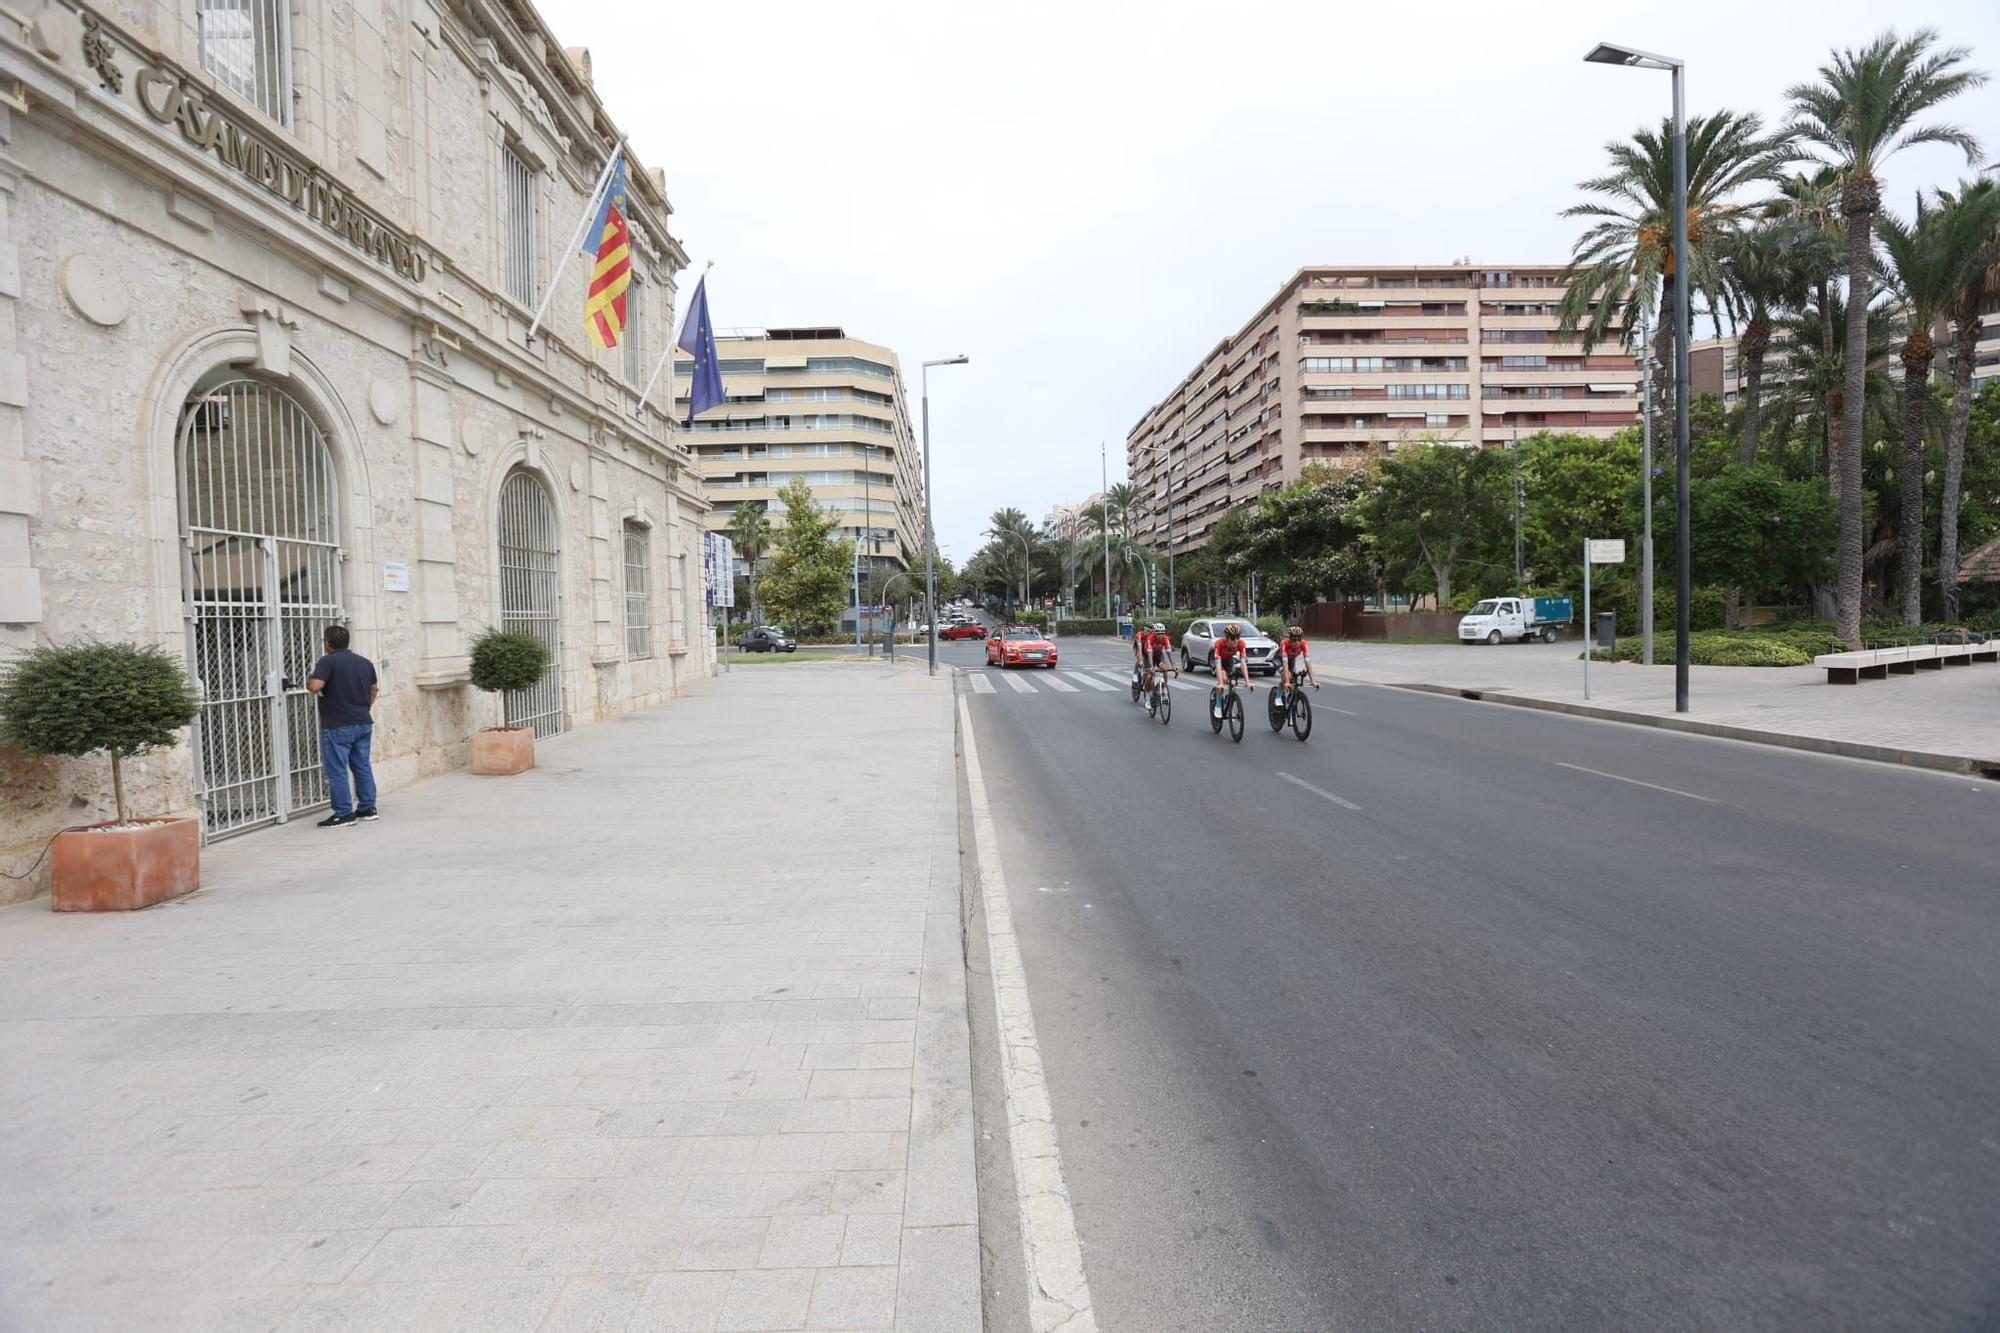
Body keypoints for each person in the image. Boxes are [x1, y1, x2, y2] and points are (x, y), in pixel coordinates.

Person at [307, 624, 379, 828]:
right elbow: (374, 689)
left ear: (327, 644)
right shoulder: (364, 662)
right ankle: (367, 808)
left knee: (336, 769)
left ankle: (343, 813)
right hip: (363, 721)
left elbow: (315, 686)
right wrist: (365, 707)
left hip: (338, 723)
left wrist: (310, 676)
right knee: (362, 765)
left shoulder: (328, 661)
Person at [1210, 621, 1253, 716]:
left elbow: (1243, 664)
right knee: (1224, 678)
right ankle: (1217, 704)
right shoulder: (1219, 643)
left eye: (1238, 637)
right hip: (1219, 661)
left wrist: (1248, 681)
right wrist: (1221, 683)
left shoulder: (1241, 644)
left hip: (1229, 660)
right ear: (1227, 638)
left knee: (1233, 683)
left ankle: (1230, 701)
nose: (1236, 641)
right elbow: (1217, 663)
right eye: (1233, 638)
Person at [1278, 626, 1317, 694]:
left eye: (1299, 639)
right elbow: (1285, 662)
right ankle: (1278, 696)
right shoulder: (1284, 643)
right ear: (1289, 638)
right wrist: (1287, 681)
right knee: (1287, 676)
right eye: (1294, 640)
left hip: (1291, 660)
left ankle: (1290, 700)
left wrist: (1313, 681)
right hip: (1279, 660)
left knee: (1293, 685)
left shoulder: (1304, 643)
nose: (1296, 642)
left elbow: (1307, 662)